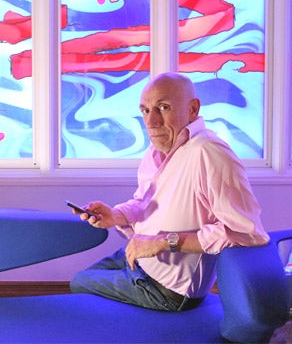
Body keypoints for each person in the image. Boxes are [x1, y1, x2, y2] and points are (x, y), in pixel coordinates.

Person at [69, 72, 269, 311]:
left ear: (193, 109)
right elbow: (144, 201)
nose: (151, 122)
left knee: (79, 283)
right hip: (140, 256)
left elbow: (246, 232)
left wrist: (163, 243)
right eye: (145, 110)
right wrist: (116, 215)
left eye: (163, 108)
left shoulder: (209, 153)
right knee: (82, 279)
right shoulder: (158, 149)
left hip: (164, 289)